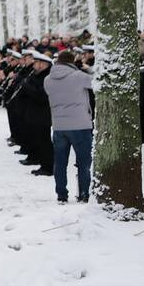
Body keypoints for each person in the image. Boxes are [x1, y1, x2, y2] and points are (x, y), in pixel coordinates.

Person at [44, 50, 94, 203]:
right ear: (72, 62)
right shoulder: (79, 76)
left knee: (60, 163)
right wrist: (88, 69)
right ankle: (84, 193)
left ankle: (61, 194)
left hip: (59, 126)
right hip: (81, 125)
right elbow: (97, 82)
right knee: (83, 163)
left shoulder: (47, 79)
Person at [20, 52, 55, 176]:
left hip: (42, 114)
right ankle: (41, 161)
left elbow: (41, 96)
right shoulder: (37, 75)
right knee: (38, 139)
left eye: (36, 62)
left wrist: (26, 86)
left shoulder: (47, 77)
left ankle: (48, 166)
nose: (34, 65)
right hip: (34, 113)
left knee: (44, 141)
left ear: (43, 64)